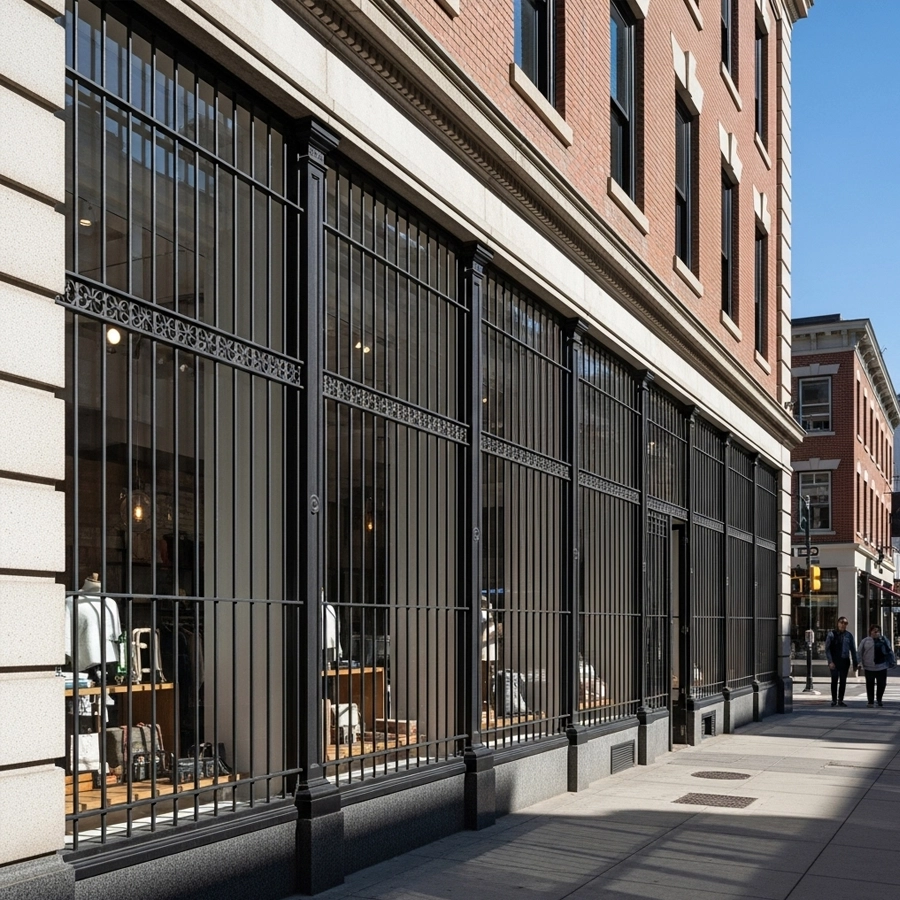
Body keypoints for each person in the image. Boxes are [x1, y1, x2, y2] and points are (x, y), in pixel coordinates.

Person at [824, 617, 858, 708]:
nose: (843, 625)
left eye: (845, 623)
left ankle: (841, 700)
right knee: (834, 680)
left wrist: (855, 662)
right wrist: (830, 661)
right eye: (841, 622)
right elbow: (827, 649)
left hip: (844, 660)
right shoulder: (831, 634)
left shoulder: (849, 635)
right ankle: (834, 700)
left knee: (843, 681)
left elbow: (853, 650)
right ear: (838, 623)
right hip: (834, 661)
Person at [858, 624, 890, 708]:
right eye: (874, 631)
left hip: (882, 666)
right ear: (870, 632)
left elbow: (889, 650)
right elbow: (860, 652)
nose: (875, 633)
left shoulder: (883, 640)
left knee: (882, 684)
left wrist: (891, 662)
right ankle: (870, 701)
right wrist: (859, 663)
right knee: (869, 684)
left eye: (877, 631)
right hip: (869, 667)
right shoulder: (865, 641)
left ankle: (879, 699)